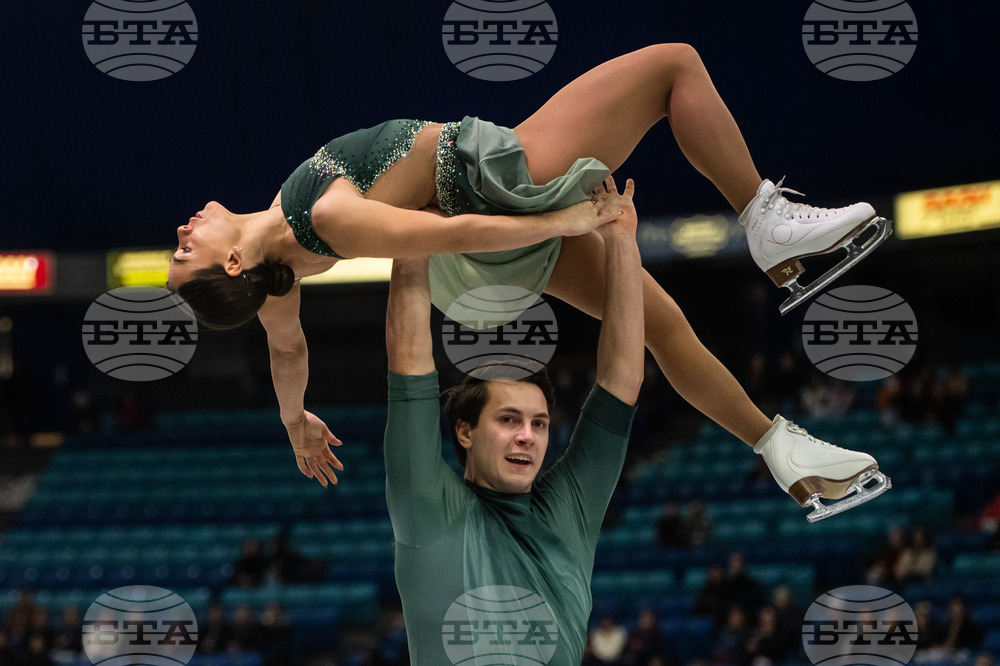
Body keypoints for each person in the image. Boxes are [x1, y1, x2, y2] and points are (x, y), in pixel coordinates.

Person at [166, 44, 889, 519]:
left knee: (660, 326)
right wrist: (563, 219)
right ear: (229, 266)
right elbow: (452, 232)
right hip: (488, 192)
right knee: (674, 67)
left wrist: (295, 421)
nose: (182, 232)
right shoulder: (324, 216)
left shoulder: (278, 277)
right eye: (184, 252)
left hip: (478, 248)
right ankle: (766, 221)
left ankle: (779, 447)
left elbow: (288, 352)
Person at [382, 178, 643, 664]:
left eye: (539, 424)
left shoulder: (567, 510)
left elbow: (621, 382)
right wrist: (414, 231)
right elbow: (408, 358)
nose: (527, 436)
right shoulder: (426, 504)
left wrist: (622, 241)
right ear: (464, 430)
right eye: (508, 419)